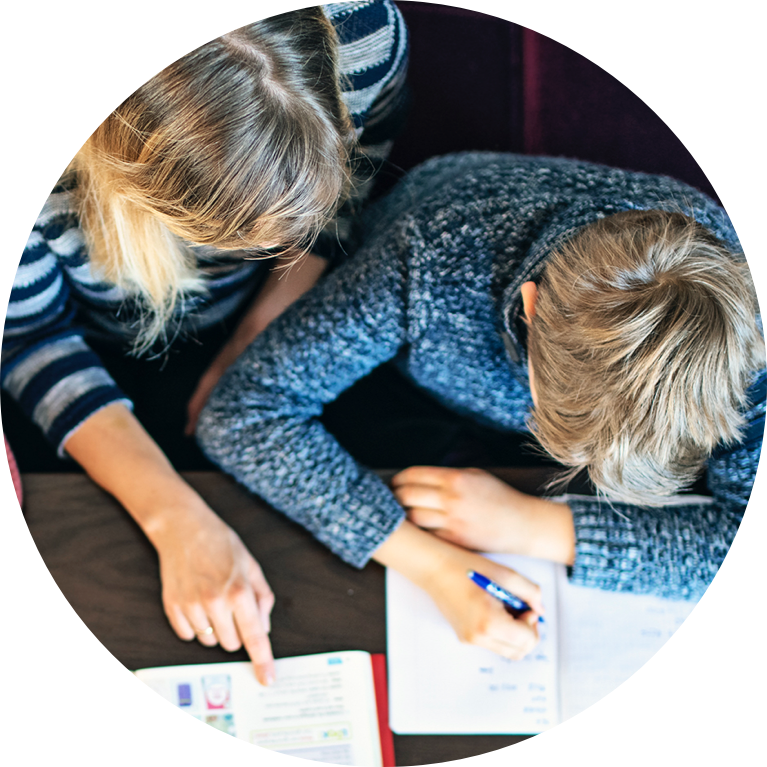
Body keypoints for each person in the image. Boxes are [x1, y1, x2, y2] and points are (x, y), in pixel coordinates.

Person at [197, 151, 767, 661]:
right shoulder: (429, 257)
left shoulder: (745, 328)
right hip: (416, 372)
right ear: (531, 305)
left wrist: (533, 525)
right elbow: (242, 414)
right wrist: (432, 565)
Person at [0, 1, 409, 685]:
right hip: (92, 344)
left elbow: (354, 185)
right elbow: (29, 333)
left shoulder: (363, 27)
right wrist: (174, 519)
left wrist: (253, 341)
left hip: (288, 299)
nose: (271, 247)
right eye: (236, 237)